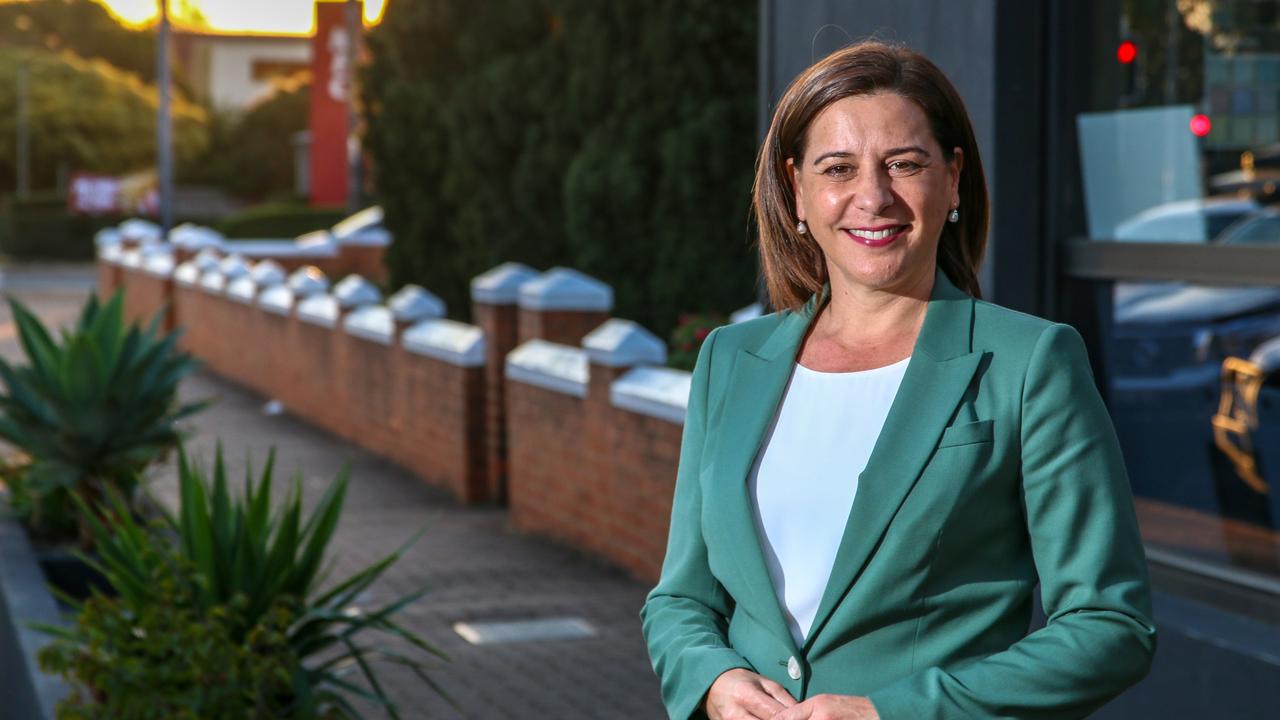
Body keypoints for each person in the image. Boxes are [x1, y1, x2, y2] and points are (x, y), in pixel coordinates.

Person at [640, 41, 1157, 720]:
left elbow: (1109, 625)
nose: (873, 197)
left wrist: (895, 711)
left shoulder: (1031, 361)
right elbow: (682, 598)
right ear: (798, 190)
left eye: (905, 164)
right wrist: (712, 679)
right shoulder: (731, 360)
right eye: (839, 168)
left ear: (952, 179)